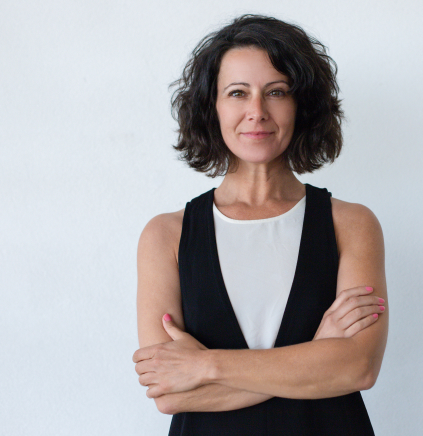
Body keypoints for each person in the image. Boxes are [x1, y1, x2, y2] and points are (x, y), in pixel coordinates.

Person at [133, 14, 388, 435]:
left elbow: (357, 368)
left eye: (276, 92)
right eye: (237, 93)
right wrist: (317, 356)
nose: (257, 112)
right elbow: (169, 393)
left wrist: (206, 365)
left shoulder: (352, 224)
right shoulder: (166, 236)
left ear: (302, 105)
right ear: (212, 107)